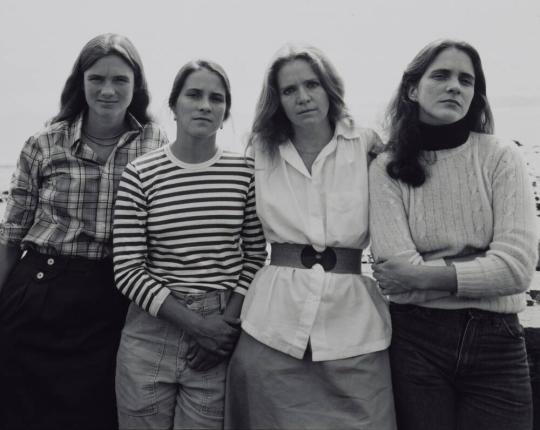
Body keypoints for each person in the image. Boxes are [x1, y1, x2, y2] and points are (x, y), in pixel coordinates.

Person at [0, 33, 167, 430]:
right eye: (97, 79)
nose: (107, 90)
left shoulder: (156, 144)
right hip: (40, 293)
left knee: (98, 413)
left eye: (120, 80)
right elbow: (10, 238)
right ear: (81, 82)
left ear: (136, 86)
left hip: (112, 299)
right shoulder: (43, 143)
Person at [225, 44, 396, 430]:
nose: (302, 97)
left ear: (329, 89)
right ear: (277, 101)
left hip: (353, 328)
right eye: (289, 90)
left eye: (312, 85)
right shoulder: (260, 153)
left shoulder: (367, 146)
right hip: (273, 326)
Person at [369, 39, 537, 430]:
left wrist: (423, 274)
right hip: (416, 341)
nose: (455, 87)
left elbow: (516, 269)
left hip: (499, 344)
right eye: (441, 75)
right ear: (412, 89)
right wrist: (479, 266)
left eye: (467, 80)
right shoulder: (387, 167)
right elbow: (395, 273)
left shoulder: (501, 156)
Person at [112, 59, 267, 429]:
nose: (205, 105)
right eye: (194, 95)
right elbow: (127, 269)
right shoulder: (140, 174)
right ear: (174, 105)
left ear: (225, 111)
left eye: (216, 98)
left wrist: (223, 330)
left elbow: (256, 256)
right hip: (152, 330)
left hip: (220, 327)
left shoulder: (244, 172)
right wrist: (198, 326)